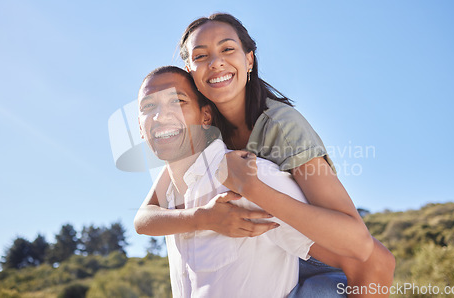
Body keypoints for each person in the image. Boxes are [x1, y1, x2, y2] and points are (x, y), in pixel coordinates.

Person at [176, 13, 396, 297]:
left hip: (315, 257)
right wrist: (202, 217)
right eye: (201, 55)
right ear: (189, 70)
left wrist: (251, 188)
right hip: (259, 252)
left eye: (227, 49)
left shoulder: (282, 126)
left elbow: (361, 246)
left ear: (249, 60)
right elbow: (148, 214)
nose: (216, 61)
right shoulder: (200, 129)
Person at [136, 65, 316, 297]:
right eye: (148, 106)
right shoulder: (169, 197)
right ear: (140, 127)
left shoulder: (256, 178)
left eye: (178, 101)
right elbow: (141, 222)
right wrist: (202, 218)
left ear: (205, 117)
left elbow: (349, 257)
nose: (160, 116)